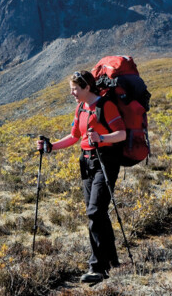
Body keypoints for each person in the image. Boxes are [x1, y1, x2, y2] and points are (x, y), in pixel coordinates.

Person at [36, 70, 126, 285]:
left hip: (105, 161)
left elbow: (122, 134)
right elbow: (75, 136)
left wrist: (101, 137)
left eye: (75, 89)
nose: (72, 93)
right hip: (86, 162)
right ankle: (112, 260)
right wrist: (51, 147)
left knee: (94, 211)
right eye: (71, 89)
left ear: (87, 87)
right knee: (97, 213)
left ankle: (98, 267)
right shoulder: (82, 108)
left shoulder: (106, 106)